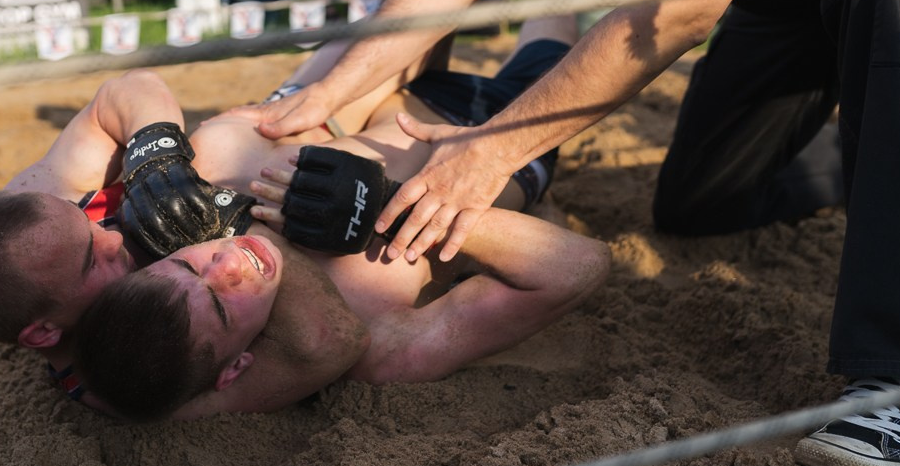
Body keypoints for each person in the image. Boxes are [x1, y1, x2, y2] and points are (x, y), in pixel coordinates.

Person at [252, 0, 900, 466]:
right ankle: (876, 144)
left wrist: (490, 148)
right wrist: (328, 88)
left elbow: (678, 11)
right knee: (698, 203)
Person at [69, 33, 609, 421]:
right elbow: (578, 266)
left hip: (377, 89)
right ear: (237, 370)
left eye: (186, 263)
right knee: (555, 33)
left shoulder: (182, 213)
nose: (226, 261)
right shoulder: (377, 345)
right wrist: (384, 202)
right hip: (492, 132)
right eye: (218, 302)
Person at [0, 67, 373, 418]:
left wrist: (154, 159)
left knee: (219, 144)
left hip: (285, 126)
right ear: (44, 332)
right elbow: (325, 341)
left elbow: (127, 89)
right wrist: (225, 222)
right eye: (89, 261)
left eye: (86, 221)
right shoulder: (131, 378)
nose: (110, 233)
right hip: (308, 185)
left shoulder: (36, 217)